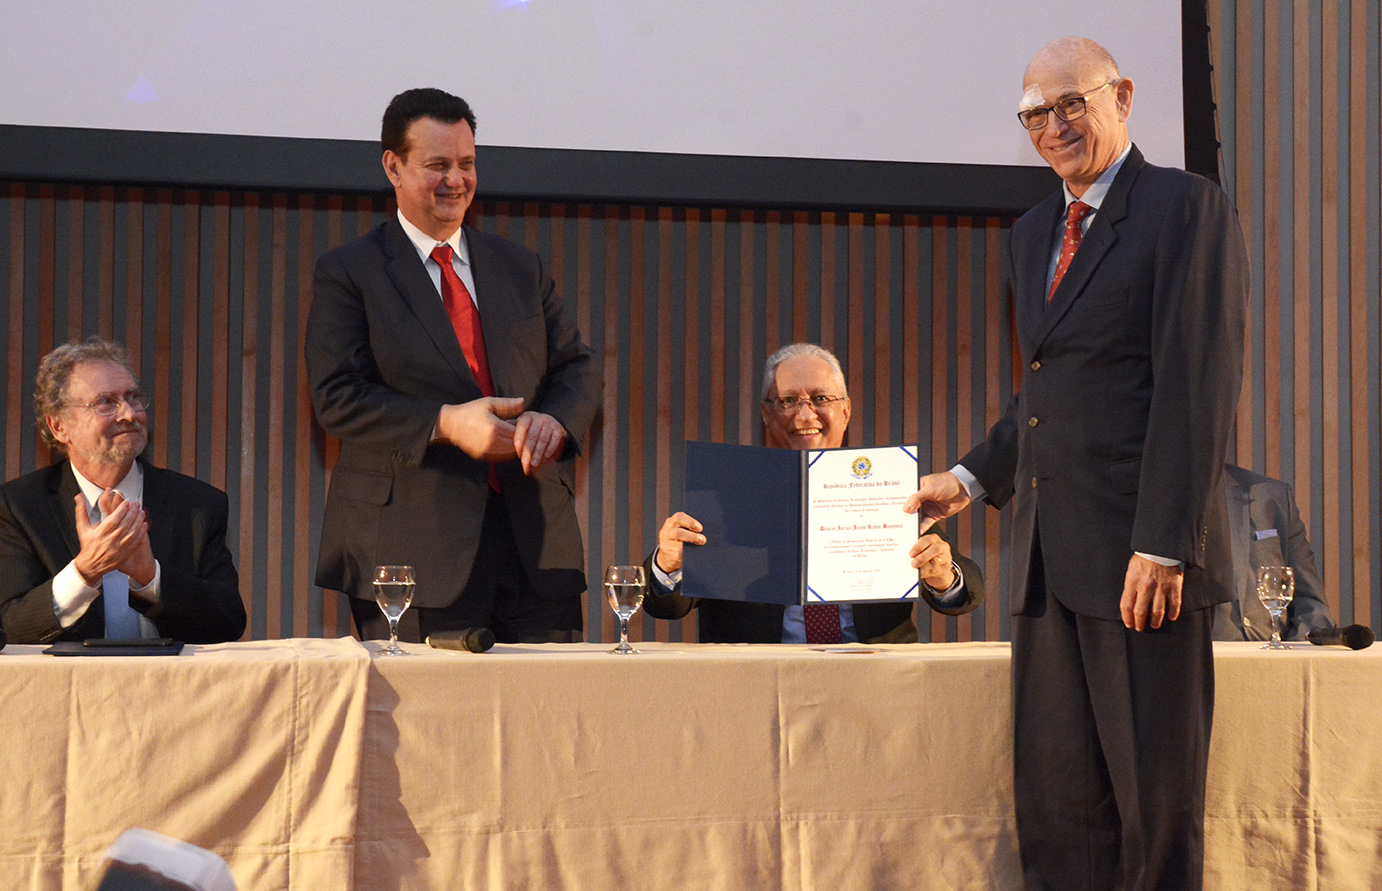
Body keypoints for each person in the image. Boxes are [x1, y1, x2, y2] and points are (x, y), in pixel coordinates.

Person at [903, 38, 1247, 891]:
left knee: (1152, 817)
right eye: (1034, 114)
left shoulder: (1183, 208)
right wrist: (971, 477)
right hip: (1047, 563)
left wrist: (1167, 542)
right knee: (1058, 813)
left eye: (1070, 104)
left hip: (1142, 568)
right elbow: (1050, 391)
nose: (1052, 126)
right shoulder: (1031, 234)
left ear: (1122, 97)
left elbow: (1195, 384)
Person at [306, 88, 601, 644]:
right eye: (437, 165)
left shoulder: (520, 267)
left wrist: (554, 422)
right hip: (409, 554)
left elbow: (577, 368)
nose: (456, 180)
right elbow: (336, 397)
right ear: (393, 167)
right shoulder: (350, 272)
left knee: (550, 724)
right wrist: (446, 423)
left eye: (466, 164)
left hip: (537, 552)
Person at [643, 343, 983, 643]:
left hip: (874, 678)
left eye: (821, 398)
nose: (805, 415)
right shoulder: (728, 489)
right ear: (766, 413)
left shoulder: (882, 483)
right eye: (788, 401)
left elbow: (967, 593)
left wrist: (943, 574)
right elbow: (665, 606)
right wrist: (667, 564)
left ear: (846, 410)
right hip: (753, 682)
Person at [0, 337, 246, 644]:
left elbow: (227, 624)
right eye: (106, 402)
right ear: (59, 426)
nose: (129, 414)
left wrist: (149, 578)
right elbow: (9, 628)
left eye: (132, 397)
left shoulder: (198, 504)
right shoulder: (19, 506)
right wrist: (84, 573)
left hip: (170, 686)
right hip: (70, 689)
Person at [1214, 463, 1334, 642]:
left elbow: (1310, 603)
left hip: (1277, 659)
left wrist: (1295, 661)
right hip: (1200, 663)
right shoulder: (1160, 500)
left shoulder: (1269, 495)